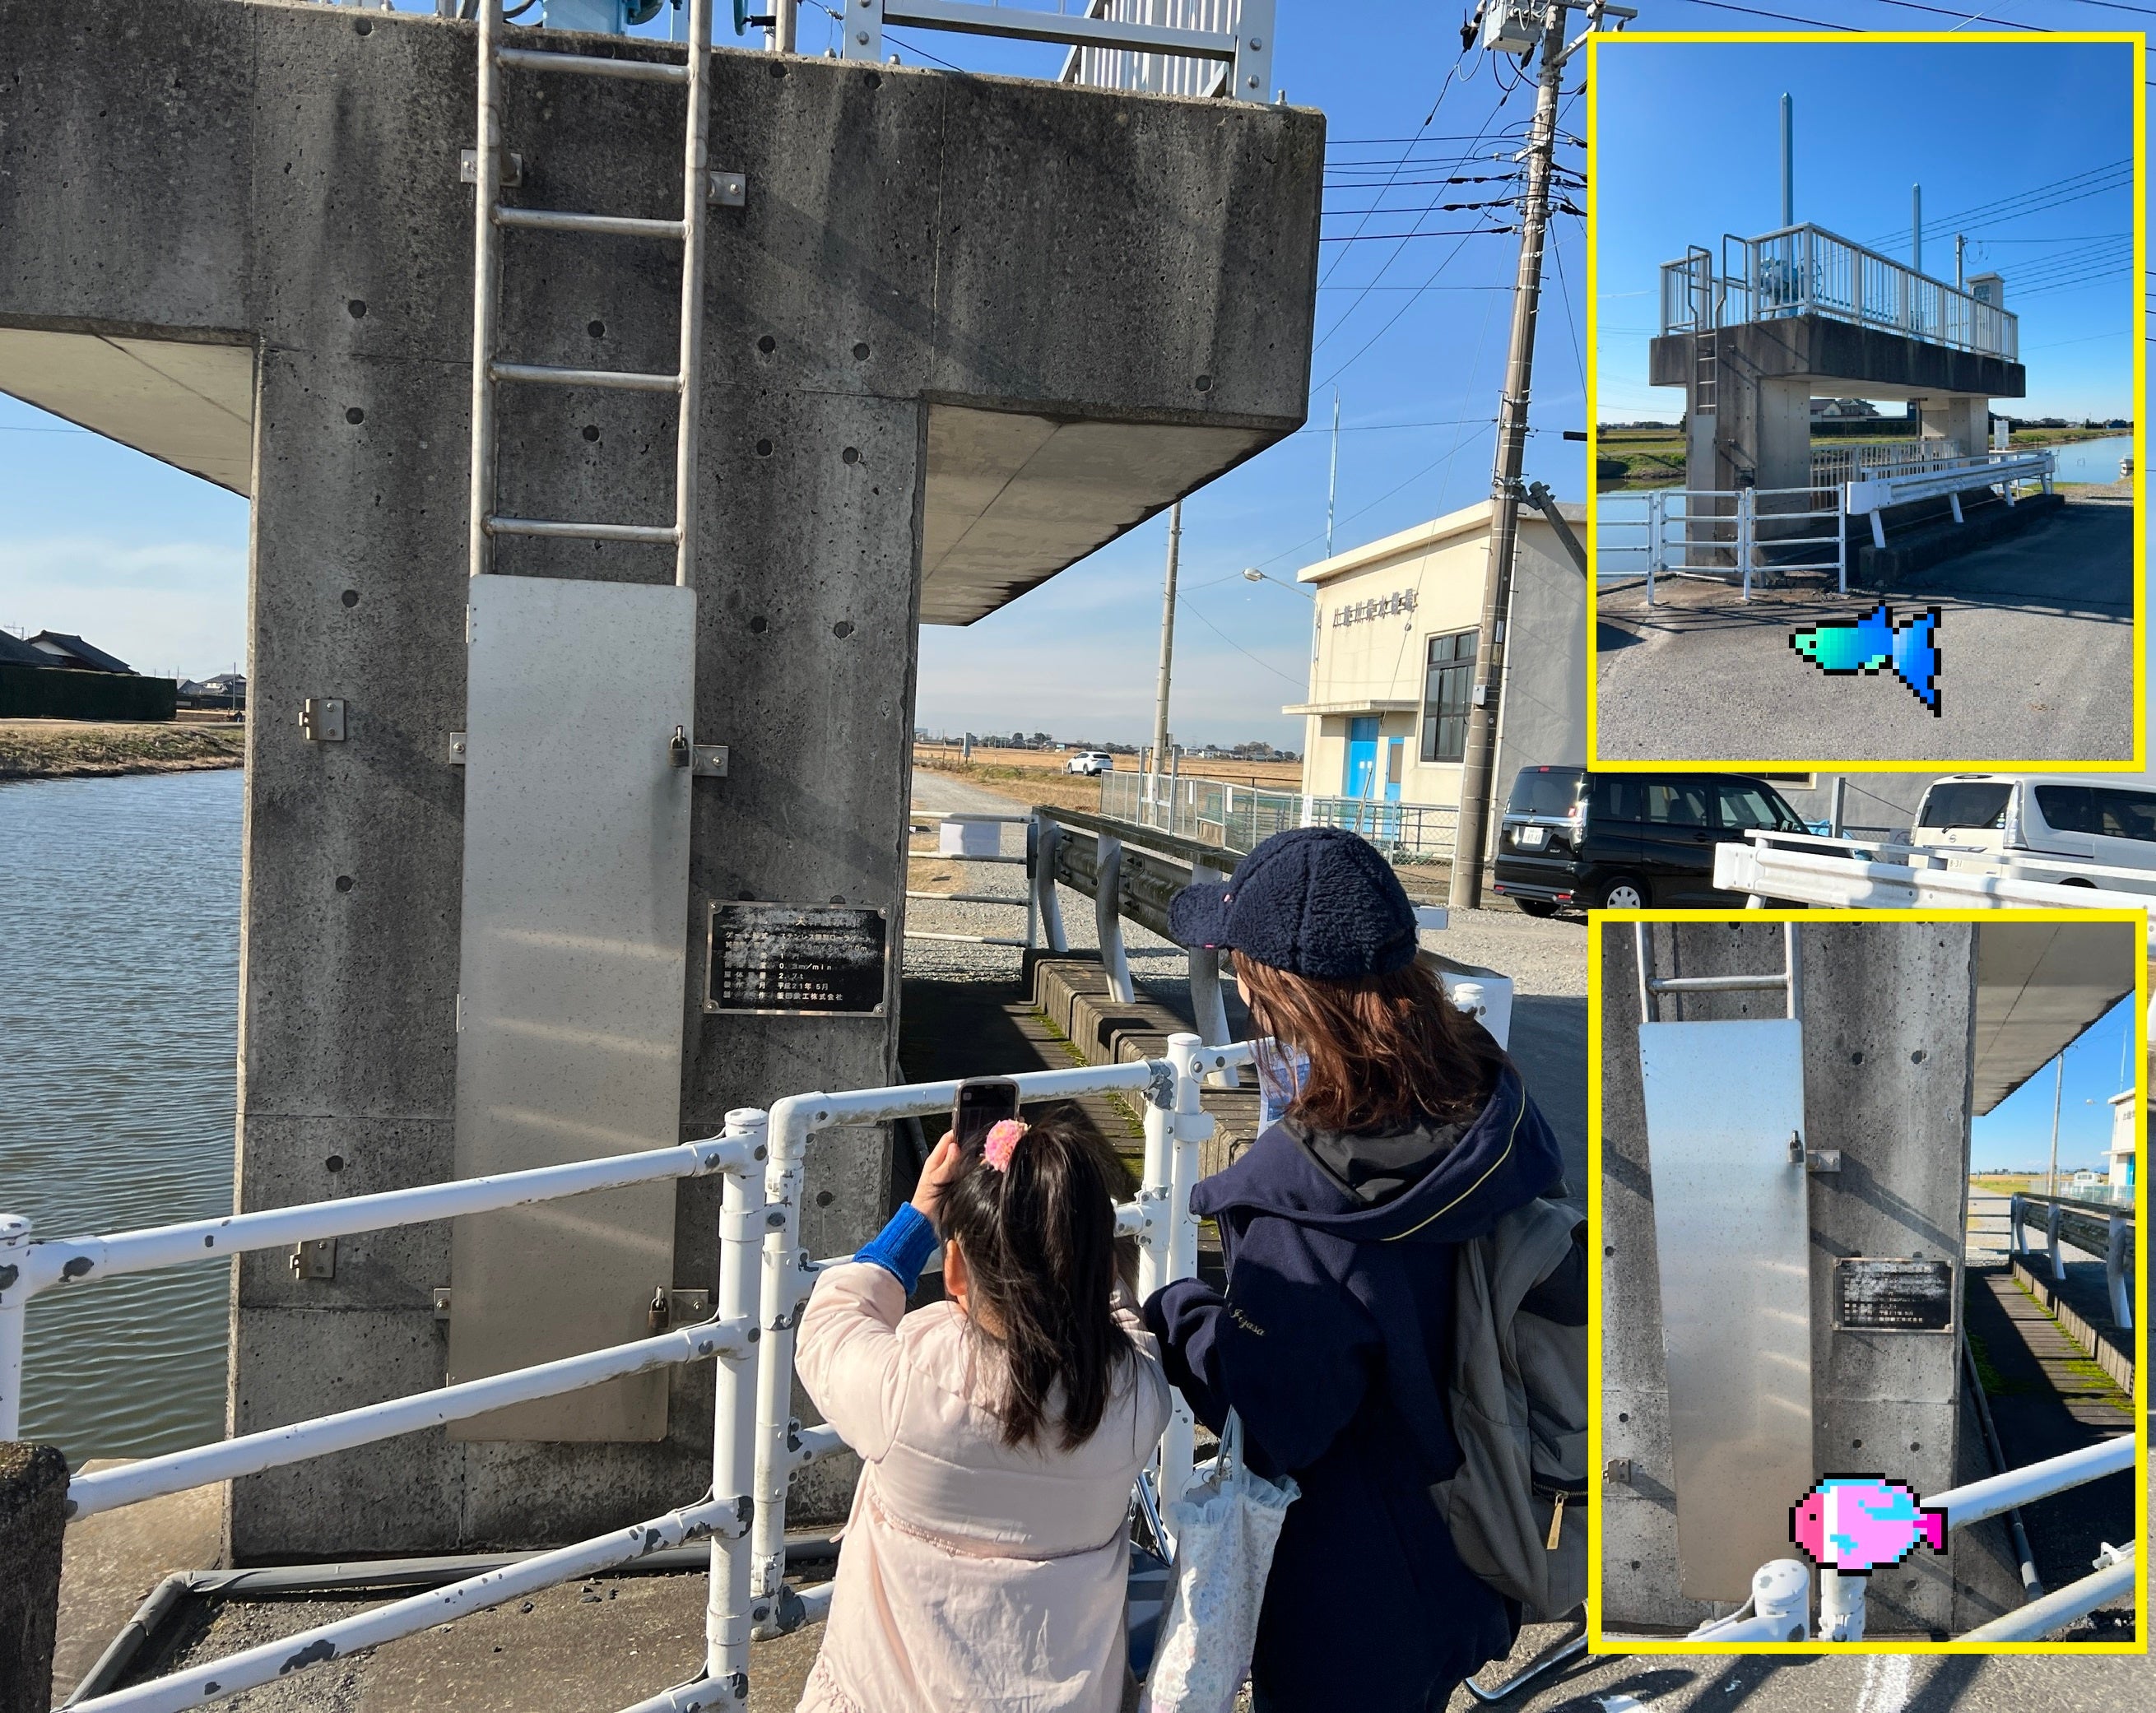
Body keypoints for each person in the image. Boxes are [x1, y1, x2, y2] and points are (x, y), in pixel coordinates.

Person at [1144, 825, 1570, 1712]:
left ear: (1275, 988)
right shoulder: (1495, 1110)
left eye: (1239, 969)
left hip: (1347, 1599)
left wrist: (1175, 1309)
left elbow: (1276, 1416)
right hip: (1474, 1545)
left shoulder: (1307, 1203)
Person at [793, 1104, 1170, 1713]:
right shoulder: (1135, 1401)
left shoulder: (905, 1388)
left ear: (955, 1273)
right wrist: (1074, 1239)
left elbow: (833, 1321)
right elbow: (1124, 1325)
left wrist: (920, 1214)